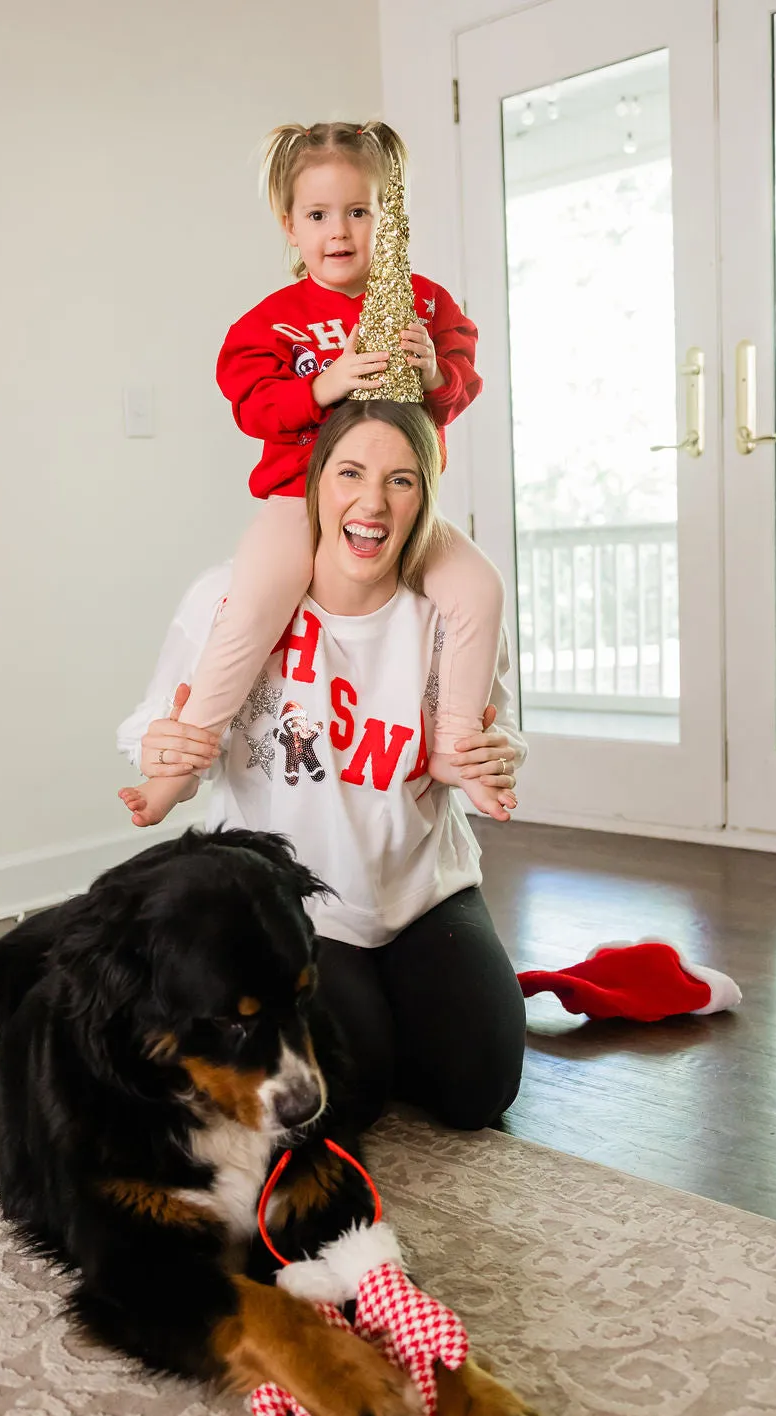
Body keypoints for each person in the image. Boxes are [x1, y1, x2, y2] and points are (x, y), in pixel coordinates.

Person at [118, 400, 527, 1132]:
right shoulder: (228, 599)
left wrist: (501, 753)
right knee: (348, 1096)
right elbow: (160, 728)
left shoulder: (452, 614)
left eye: (401, 481)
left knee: (480, 1090)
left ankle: (395, 1002)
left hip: (419, 887)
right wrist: (161, 749)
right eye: (351, 473)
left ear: (423, 500)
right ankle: (370, 1015)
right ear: (315, 487)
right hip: (291, 901)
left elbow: (493, 727)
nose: (372, 502)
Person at [123, 120, 505, 830]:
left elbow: (462, 386)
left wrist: (434, 372)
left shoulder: (428, 304)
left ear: (387, 221)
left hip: (400, 507)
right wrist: (323, 386)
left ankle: (455, 741)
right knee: (253, 604)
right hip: (298, 500)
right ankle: (183, 760)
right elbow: (253, 406)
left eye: (360, 212)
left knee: (479, 587)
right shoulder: (273, 324)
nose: (340, 232)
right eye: (319, 215)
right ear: (289, 224)